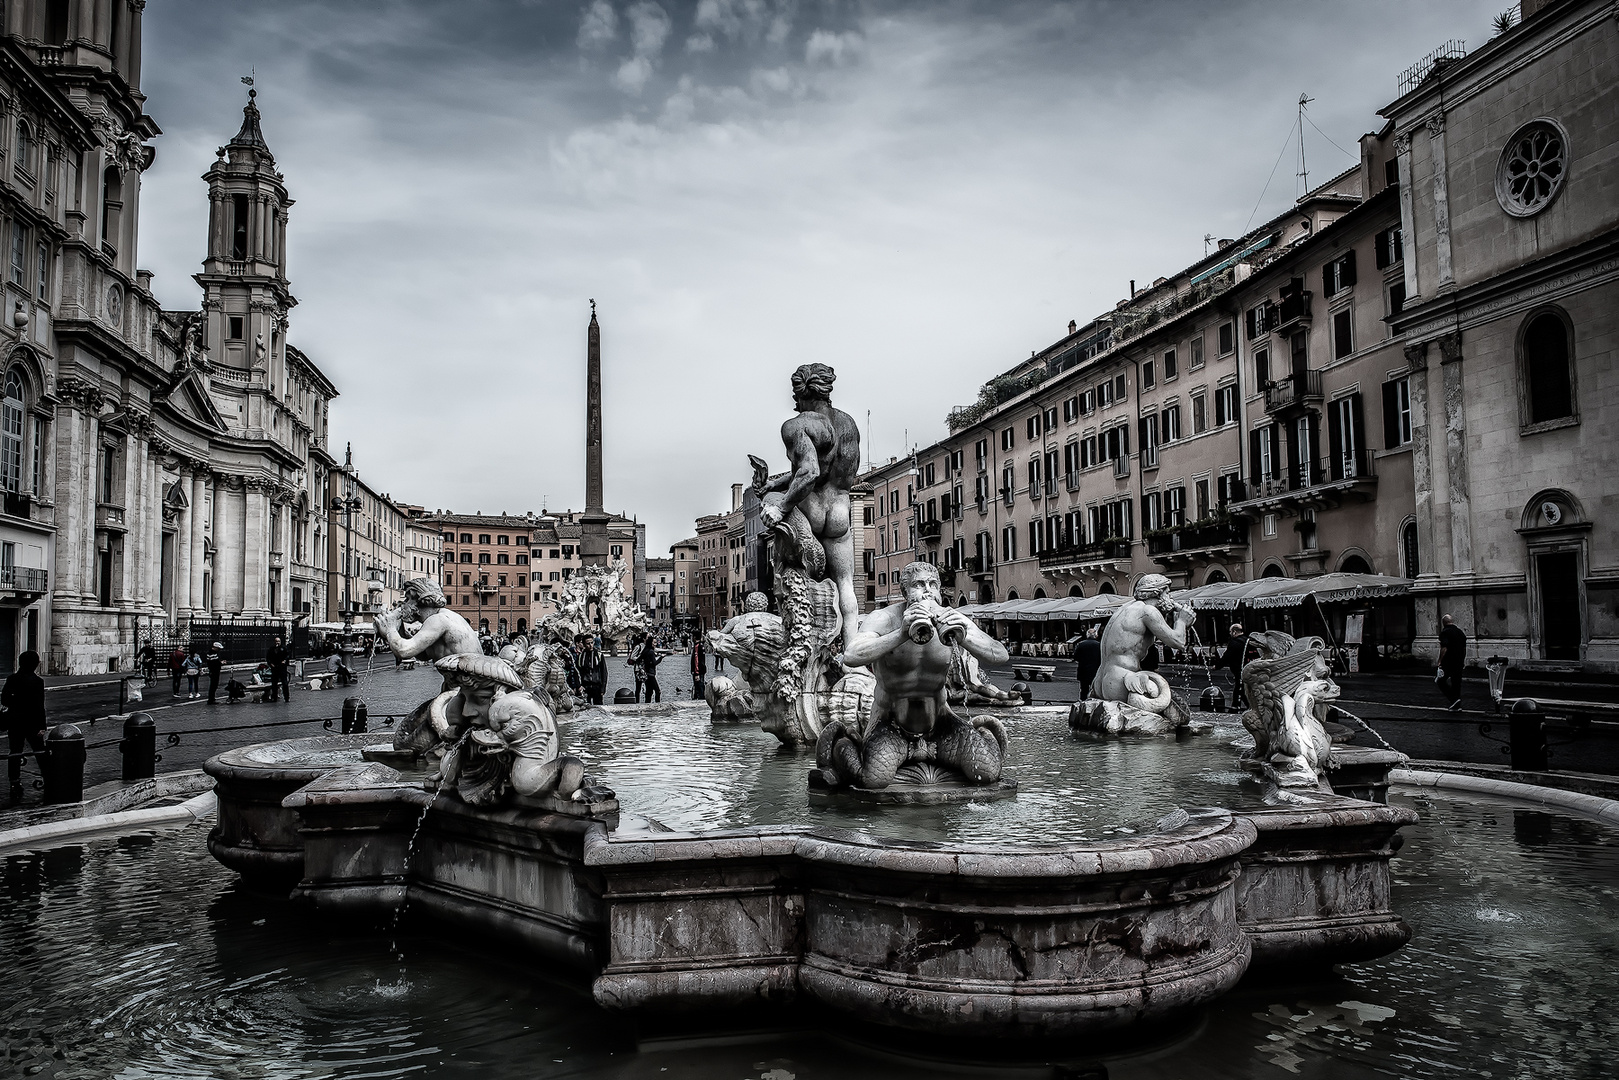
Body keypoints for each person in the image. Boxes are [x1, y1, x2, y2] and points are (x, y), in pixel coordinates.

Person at [757, 363, 863, 647]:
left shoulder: (797, 425)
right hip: (840, 509)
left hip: (812, 509)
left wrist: (780, 504)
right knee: (846, 585)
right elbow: (830, 472)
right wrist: (775, 483)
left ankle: (799, 644)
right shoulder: (848, 424)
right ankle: (852, 655)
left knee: (793, 576)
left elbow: (810, 472)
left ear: (798, 392)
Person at [4, 650, 46, 806]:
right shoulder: (37, 681)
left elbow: (5, 700)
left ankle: (14, 781)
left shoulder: (12, 679)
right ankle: (47, 777)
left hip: (15, 722)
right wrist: (42, 726)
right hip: (32, 723)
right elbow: (40, 706)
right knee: (40, 751)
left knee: (15, 752)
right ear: (35, 664)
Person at [1437, 613, 1467, 712]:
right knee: (1456, 683)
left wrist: (1440, 661)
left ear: (1443, 623)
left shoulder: (1445, 632)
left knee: (1440, 681)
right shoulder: (1460, 632)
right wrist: (1463, 660)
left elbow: (1444, 648)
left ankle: (1454, 699)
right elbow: (1463, 649)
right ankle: (1457, 704)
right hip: (1459, 661)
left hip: (1449, 661)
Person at [1222, 623, 1250, 709]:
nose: (1230, 634)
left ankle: (1238, 706)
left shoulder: (1234, 642)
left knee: (1240, 688)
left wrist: (1218, 666)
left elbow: (1227, 656)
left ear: (1234, 632)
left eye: (1230, 632)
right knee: (1241, 688)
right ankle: (1237, 705)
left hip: (1239, 669)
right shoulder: (1247, 641)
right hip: (1248, 668)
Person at [576, 635, 607, 706]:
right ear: (584, 645)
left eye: (592, 643)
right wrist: (579, 685)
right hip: (585, 686)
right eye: (588, 644)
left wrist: (603, 687)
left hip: (597, 686)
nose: (591, 645)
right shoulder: (581, 656)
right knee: (586, 708)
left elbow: (604, 672)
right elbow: (577, 672)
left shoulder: (599, 655)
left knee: (599, 708)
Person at [1074, 626, 1102, 700]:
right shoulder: (1099, 645)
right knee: (1095, 689)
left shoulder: (1081, 644)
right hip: (1095, 670)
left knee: (1084, 689)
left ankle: (1083, 703)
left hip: (1083, 670)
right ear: (1096, 635)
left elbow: (1076, 657)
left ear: (1087, 635)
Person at [267, 635, 292, 703]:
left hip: (282, 668)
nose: (277, 643)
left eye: (278, 641)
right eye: (276, 641)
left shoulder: (283, 648)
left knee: (284, 683)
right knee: (274, 683)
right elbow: (268, 657)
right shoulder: (271, 649)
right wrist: (271, 664)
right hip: (274, 668)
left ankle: (286, 697)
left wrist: (285, 661)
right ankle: (274, 697)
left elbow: (287, 655)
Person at [640, 635, 662, 702]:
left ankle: (647, 705)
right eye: (654, 643)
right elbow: (654, 663)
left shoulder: (645, 651)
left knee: (649, 692)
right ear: (651, 643)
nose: (656, 644)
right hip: (651, 674)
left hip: (646, 674)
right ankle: (658, 705)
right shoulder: (651, 652)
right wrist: (661, 658)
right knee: (657, 691)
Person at [628, 633, 647, 702]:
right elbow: (632, 657)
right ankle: (637, 702)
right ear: (644, 639)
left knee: (647, 686)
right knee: (638, 687)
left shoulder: (647, 646)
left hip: (645, 668)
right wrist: (640, 659)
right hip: (638, 669)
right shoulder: (638, 647)